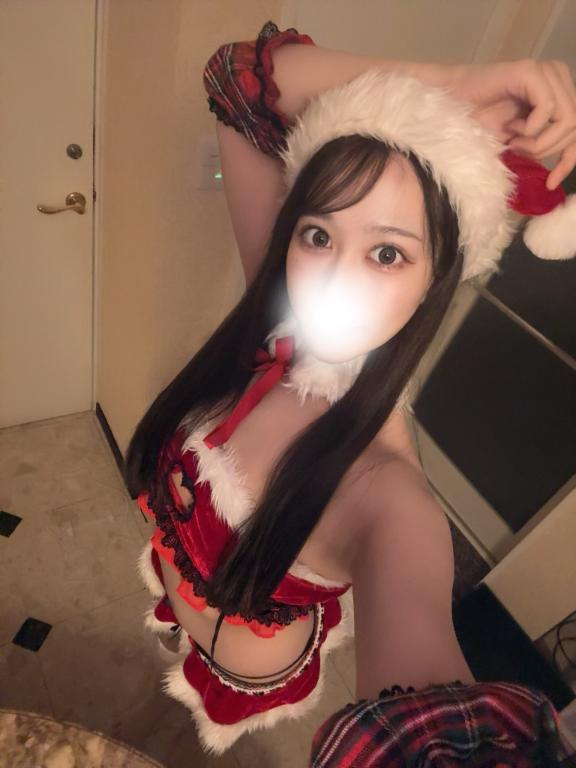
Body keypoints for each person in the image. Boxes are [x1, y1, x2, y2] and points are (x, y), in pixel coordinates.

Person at [124, 20, 576, 762]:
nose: (333, 280)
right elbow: (234, 79)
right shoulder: (277, 319)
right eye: (319, 236)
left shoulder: (385, 495)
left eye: (388, 253)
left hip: (245, 656)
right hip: (183, 593)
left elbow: (432, 728)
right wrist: (455, 90)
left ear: (436, 281)